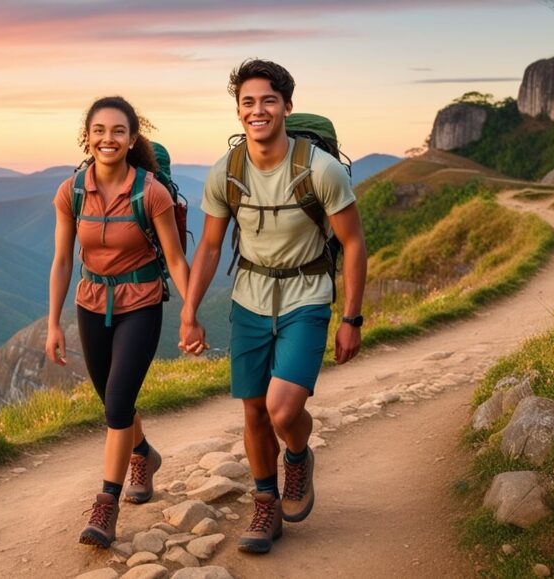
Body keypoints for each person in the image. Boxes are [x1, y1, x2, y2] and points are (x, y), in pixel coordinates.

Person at [179, 59, 367, 554]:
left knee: (283, 410)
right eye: (247, 102)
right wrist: (189, 310)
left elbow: (352, 243)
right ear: (238, 111)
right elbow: (212, 247)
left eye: (267, 100)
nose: (257, 110)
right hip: (250, 299)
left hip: (307, 297)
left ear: (286, 105)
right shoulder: (229, 171)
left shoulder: (319, 169)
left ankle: (299, 456)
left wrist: (351, 318)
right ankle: (265, 505)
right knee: (254, 410)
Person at [46, 96, 193, 548]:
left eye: (118, 131)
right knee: (115, 398)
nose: (108, 139)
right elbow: (62, 260)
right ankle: (144, 455)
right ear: (87, 138)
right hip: (91, 303)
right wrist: (53, 322)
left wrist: (190, 313)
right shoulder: (70, 190)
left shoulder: (152, 192)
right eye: (99, 131)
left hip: (142, 302)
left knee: (115, 405)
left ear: (132, 139)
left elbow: (173, 257)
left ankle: (105, 507)